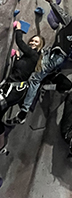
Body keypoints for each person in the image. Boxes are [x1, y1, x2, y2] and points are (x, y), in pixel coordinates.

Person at [8, 0, 72, 124]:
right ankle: (26, 107)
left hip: (56, 56)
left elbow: (61, 13)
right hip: (56, 56)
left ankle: (23, 112)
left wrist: (50, 1)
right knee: (37, 77)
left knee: (35, 79)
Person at [0, 21, 45, 154]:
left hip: (14, 89)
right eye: (32, 40)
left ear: (40, 46)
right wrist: (17, 58)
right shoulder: (28, 57)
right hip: (11, 88)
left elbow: (20, 42)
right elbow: (20, 69)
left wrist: (18, 29)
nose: (32, 42)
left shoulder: (34, 55)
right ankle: (2, 145)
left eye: (36, 42)